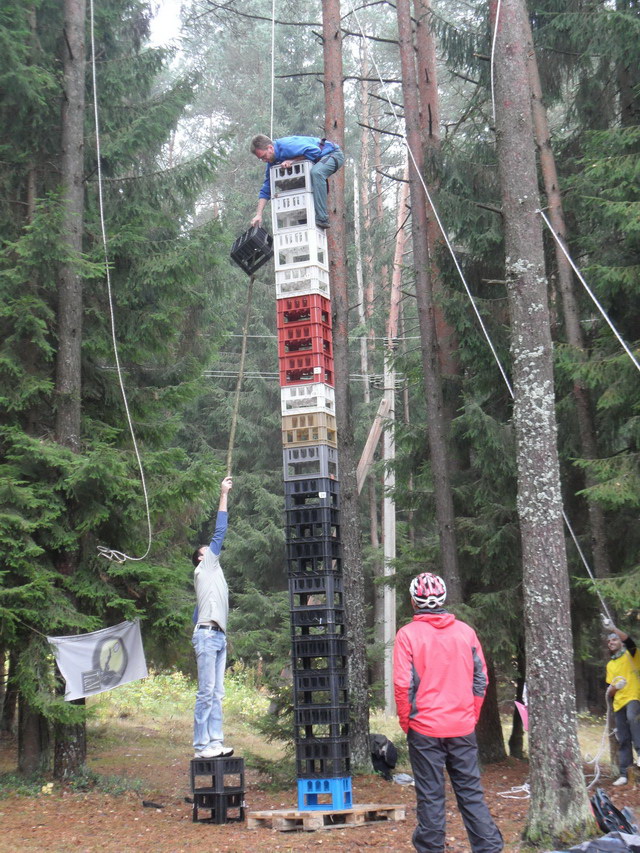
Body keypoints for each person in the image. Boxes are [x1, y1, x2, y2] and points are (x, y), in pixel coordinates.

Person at [393, 572, 503, 853]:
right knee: (471, 794)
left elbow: (403, 684)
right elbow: (481, 680)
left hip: (425, 729)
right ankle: (489, 848)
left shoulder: (407, 635)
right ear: (443, 598)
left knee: (430, 797)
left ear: (413, 601)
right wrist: (471, 716)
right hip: (462, 727)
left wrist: (408, 722)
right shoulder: (466, 632)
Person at [191, 475, 234, 759]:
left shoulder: (213, 574)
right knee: (206, 692)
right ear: (200, 558)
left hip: (217, 636)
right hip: (208, 636)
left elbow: (198, 610)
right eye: (206, 551)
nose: (212, 550)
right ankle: (201, 746)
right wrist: (223, 493)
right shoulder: (204, 568)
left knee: (217, 693)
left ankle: (216, 741)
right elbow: (220, 532)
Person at [250, 134, 345, 230]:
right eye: (260, 159)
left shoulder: (287, 145)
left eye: (264, 156)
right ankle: (304, 221)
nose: (263, 160)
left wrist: (293, 160)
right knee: (295, 186)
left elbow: (315, 151)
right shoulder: (272, 162)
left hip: (332, 154)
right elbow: (266, 188)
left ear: (270, 148)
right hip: (317, 161)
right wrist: (259, 214)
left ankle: (322, 218)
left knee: (317, 172)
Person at [603, 616, 640, 786]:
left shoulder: (632, 655)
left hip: (634, 697)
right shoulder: (610, 665)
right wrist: (614, 688)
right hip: (618, 703)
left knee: (634, 719)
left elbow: (630, 640)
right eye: (609, 640)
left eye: (614, 639)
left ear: (621, 643)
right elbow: (609, 692)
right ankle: (624, 772)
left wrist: (613, 628)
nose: (611, 641)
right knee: (623, 737)